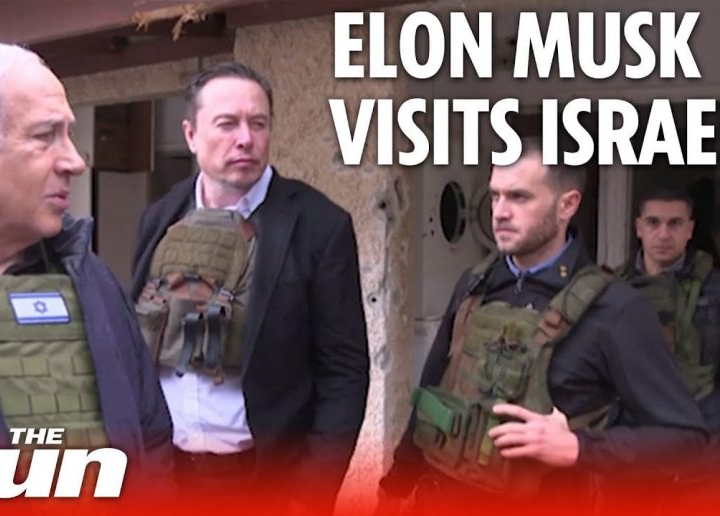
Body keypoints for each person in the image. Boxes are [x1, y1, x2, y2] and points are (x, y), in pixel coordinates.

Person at [376, 140, 708, 515]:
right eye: (495, 195)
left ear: (567, 205)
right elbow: (432, 395)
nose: (500, 212)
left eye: (519, 197)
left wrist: (580, 448)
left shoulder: (615, 308)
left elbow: (686, 440)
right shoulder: (475, 283)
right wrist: (393, 490)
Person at [130, 61, 369, 514]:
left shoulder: (319, 225)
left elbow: (344, 372)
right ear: (191, 135)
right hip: (165, 478)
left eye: (258, 123)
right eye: (227, 124)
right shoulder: (160, 217)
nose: (246, 138)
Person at [0, 42, 173, 500]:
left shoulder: (94, 283)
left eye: (68, 134)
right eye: (45, 136)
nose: (75, 161)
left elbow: (153, 443)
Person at [617, 188, 720, 510]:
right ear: (638, 227)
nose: (663, 234)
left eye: (674, 223)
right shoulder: (611, 289)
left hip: (702, 451)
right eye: (653, 223)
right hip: (630, 449)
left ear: (690, 229)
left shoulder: (714, 289)